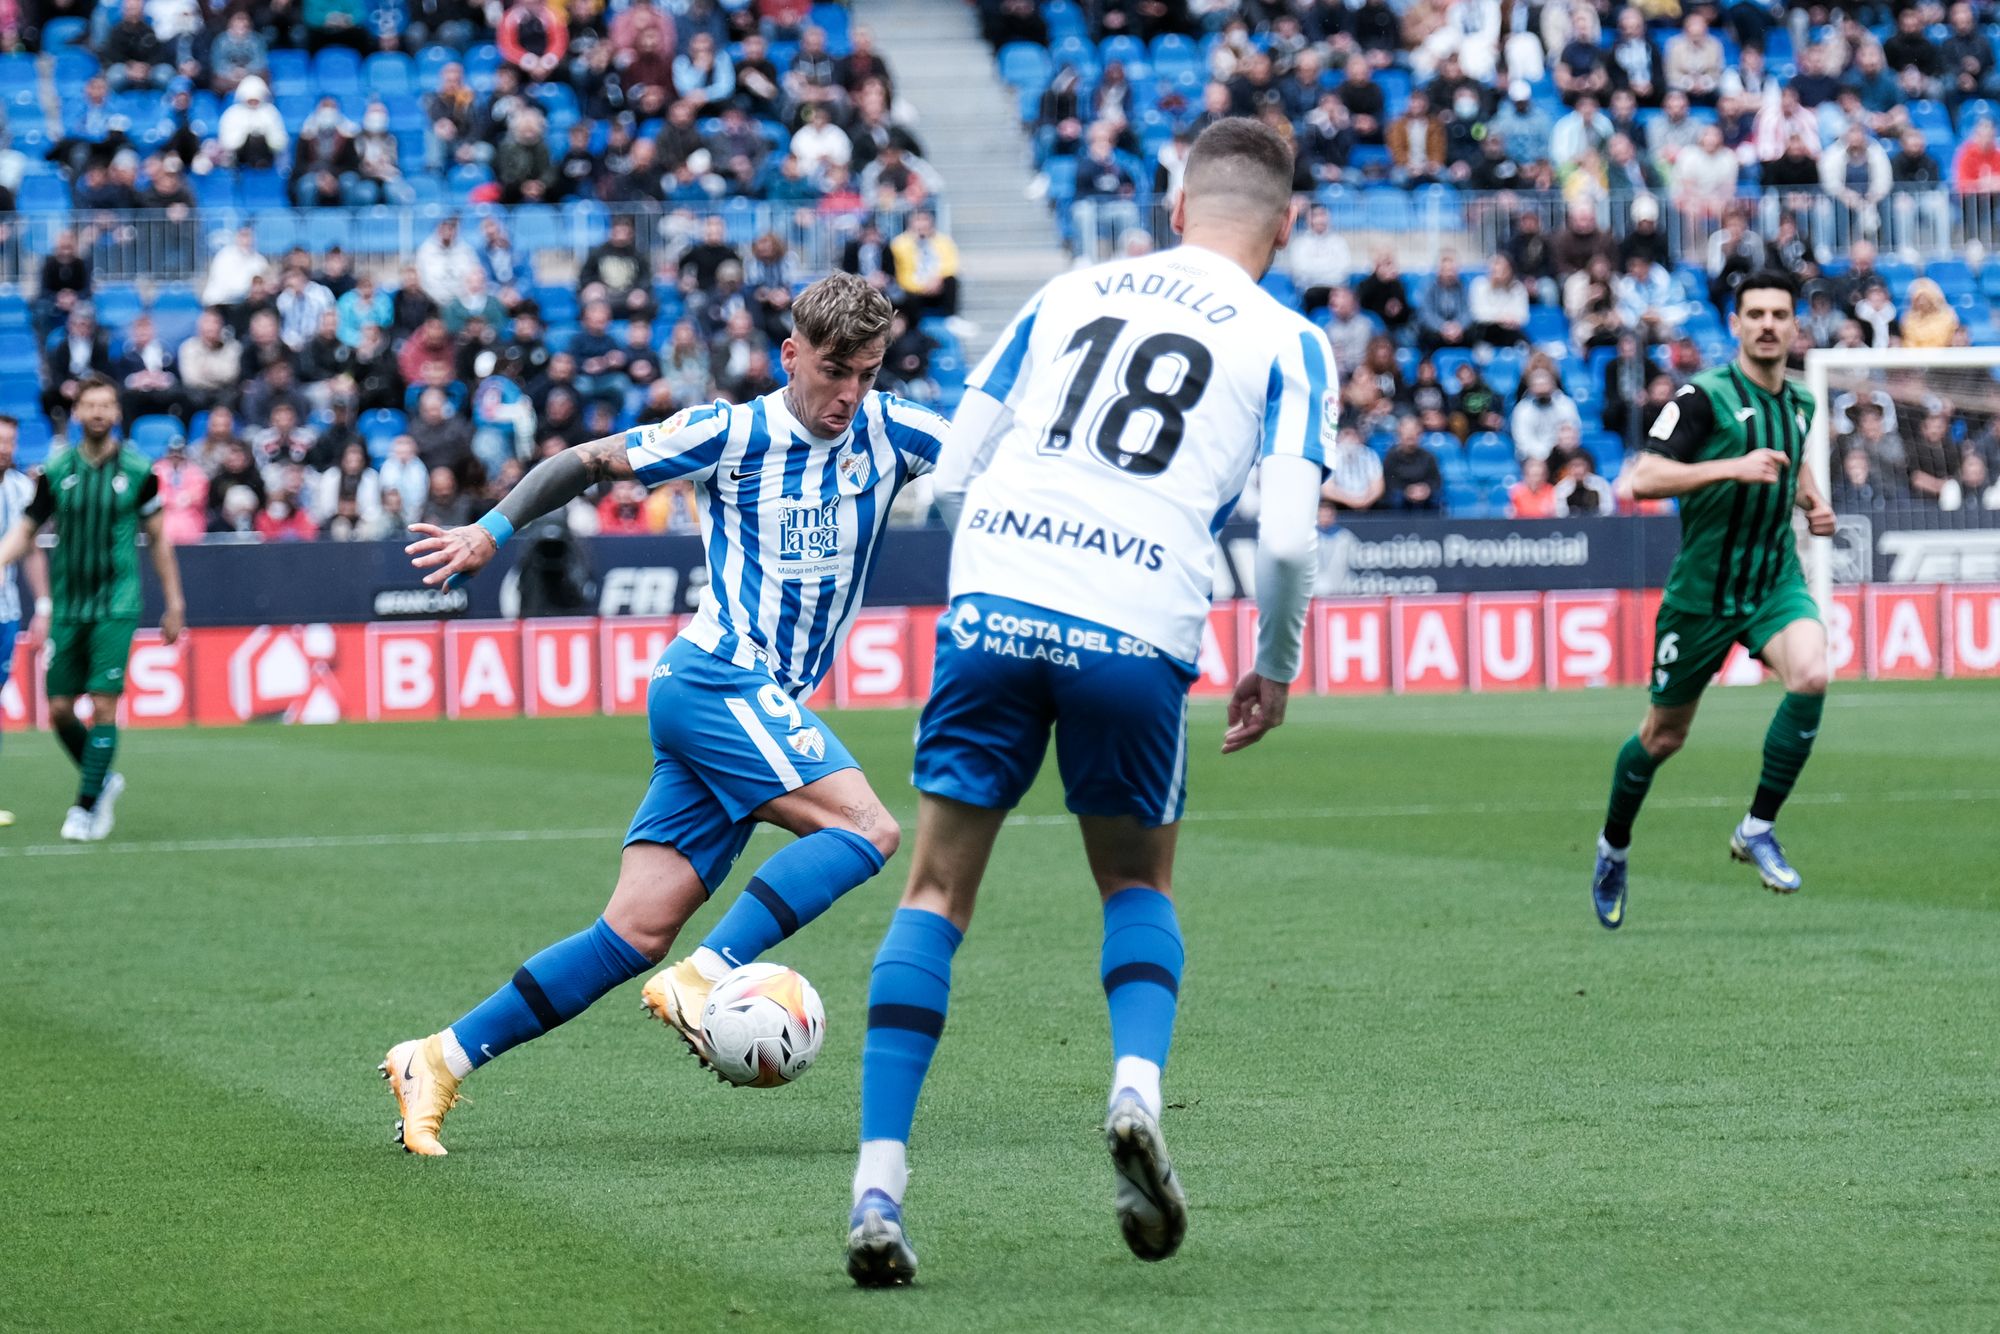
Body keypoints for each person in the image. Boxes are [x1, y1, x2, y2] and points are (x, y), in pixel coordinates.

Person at [840, 117, 1327, 1287]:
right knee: (1134, 882)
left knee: (936, 890)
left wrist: (1002, 574)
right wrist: (1274, 660)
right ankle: (1132, 1090)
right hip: (1136, 614)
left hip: (997, 596)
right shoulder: (1285, 338)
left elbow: (949, 472)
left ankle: (876, 1184)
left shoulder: (1066, 294)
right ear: (1286, 223)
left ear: (1171, 208)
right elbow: (1293, 534)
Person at [380, 274, 948, 1155]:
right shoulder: (732, 432)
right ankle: (710, 973)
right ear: (791, 354)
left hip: (751, 706)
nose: (850, 394)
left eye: (868, 374)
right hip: (718, 679)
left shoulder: (894, 432)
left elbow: (1008, 459)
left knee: (632, 931)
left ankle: (438, 1057)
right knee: (867, 831)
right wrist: (490, 531)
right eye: (836, 370)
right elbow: (584, 461)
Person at [1591, 272, 1836, 930]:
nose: (1766, 324)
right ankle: (1613, 847)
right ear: (1734, 324)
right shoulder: (1703, 398)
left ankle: (1758, 827)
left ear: (1793, 326)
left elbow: (1795, 461)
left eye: (1778, 314)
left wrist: (1814, 500)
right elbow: (1641, 477)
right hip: (1702, 595)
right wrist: (1730, 466)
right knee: (1664, 736)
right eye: (1753, 313)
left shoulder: (1804, 403)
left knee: (1812, 673)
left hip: (1773, 583)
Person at [0, 377, 187, 842]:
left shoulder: (140, 470)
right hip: (68, 604)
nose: (99, 412)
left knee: (103, 703)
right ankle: (101, 777)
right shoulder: (55, 469)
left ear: (118, 413)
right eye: (91, 405)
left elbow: (159, 538)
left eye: (107, 404)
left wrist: (175, 602)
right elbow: (26, 530)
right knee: (60, 709)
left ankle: (84, 807)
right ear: (77, 413)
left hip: (116, 604)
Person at [0, 416, 52, 827]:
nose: (5, 448)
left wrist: (44, 605)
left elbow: (32, 551)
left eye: (10, 441)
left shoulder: (21, 489)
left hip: (5, 613)